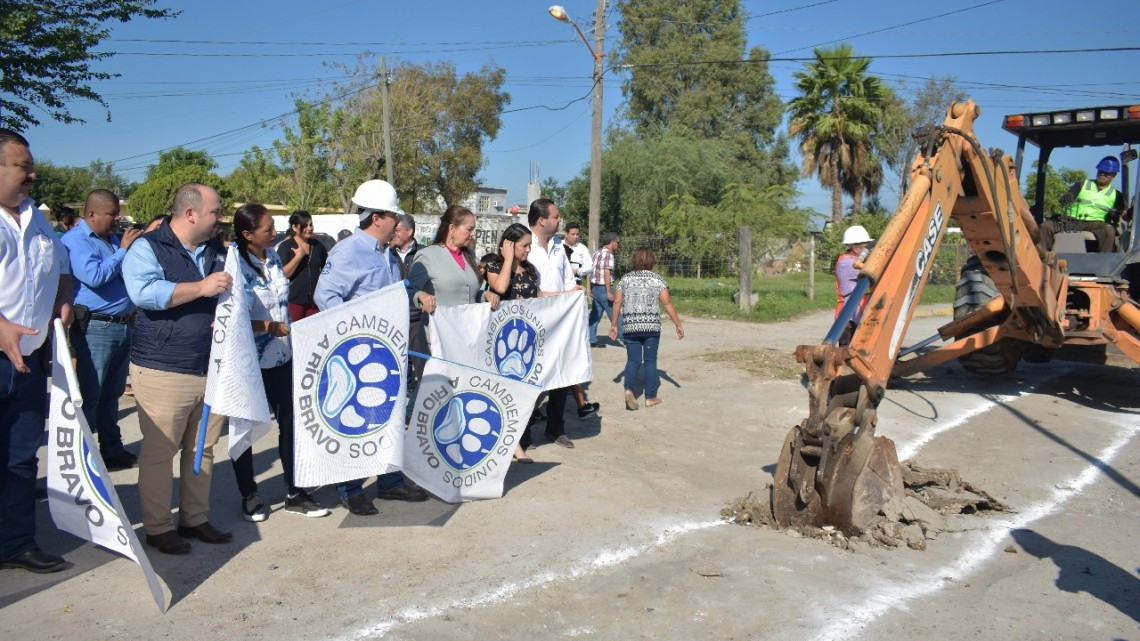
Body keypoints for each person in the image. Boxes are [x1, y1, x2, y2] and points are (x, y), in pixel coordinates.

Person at [122, 183, 233, 555]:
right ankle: (157, 527)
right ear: (191, 214)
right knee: (159, 452)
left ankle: (195, 518)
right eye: (215, 212)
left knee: (202, 449)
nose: (220, 218)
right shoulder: (147, 247)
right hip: (164, 368)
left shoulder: (219, 251)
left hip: (211, 368)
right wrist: (201, 288)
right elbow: (143, 294)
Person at [313, 179, 429, 516]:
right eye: (394, 216)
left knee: (387, 416)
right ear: (377, 217)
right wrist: (354, 329)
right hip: (356, 353)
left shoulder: (387, 254)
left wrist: (416, 296)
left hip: (386, 350)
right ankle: (350, 489)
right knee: (356, 419)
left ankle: (390, 482)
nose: (398, 223)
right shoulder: (348, 251)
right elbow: (326, 297)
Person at [0, 128, 73, 574]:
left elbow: (61, 268)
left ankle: (15, 544)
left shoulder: (37, 219)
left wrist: (63, 299)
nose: (33, 174)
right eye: (22, 166)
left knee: (21, 457)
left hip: (27, 359)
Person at [228, 204, 330, 522]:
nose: (275, 233)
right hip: (249, 359)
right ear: (247, 234)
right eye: (268, 229)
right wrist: (267, 327)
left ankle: (294, 491)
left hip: (282, 354)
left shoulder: (272, 257)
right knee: (245, 425)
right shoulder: (232, 264)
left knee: (290, 422)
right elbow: (232, 316)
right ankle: (249, 494)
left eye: (274, 227)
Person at [61, 189, 141, 470]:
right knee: (90, 395)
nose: (117, 219)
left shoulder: (112, 240)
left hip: (121, 325)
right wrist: (122, 252)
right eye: (111, 214)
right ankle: (81, 456)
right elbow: (94, 276)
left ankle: (111, 449)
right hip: (95, 327)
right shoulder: (75, 241)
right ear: (91, 214)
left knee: (112, 394)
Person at [526, 198, 581, 448]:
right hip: (532, 321)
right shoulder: (523, 243)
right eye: (556, 216)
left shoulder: (559, 246)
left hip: (560, 320)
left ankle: (555, 428)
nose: (559, 220)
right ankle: (523, 434)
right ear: (542, 220)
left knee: (561, 375)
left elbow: (567, 280)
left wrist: (574, 292)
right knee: (530, 377)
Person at [610, 248, 684, 410]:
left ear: (634, 260)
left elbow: (617, 302)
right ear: (651, 261)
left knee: (633, 360)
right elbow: (667, 303)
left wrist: (614, 324)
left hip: (630, 326)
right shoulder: (658, 279)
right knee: (650, 361)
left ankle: (629, 389)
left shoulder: (625, 279)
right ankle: (650, 397)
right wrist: (678, 324)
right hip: (651, 327)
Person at [1039, 156, 1128, 253]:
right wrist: (1067, 196)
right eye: (1100, 171)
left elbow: (1124, 213)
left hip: (1095, 224)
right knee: (1046, 227)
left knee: (1109, 230)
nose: (1102, 174)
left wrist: (1119, 212)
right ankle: (1042, 258)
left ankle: (1104, 261)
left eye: (1106, 173)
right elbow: (1068, 195)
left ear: (1113, 175)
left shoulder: (1116, 195)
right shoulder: (1083, 184)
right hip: (1070, 221)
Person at [391, 213, 427, 390]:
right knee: (398, 367)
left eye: (397, 230)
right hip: (395, 319)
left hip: (417, 319)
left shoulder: (424, 253)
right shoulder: (387, 253)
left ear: (409, 231)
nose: (394, 233)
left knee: (421, 366)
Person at [276, 210, 328, 323]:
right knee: (294, 334)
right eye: (305, 225)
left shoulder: (318, 246)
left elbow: (326, 270)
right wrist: (298, 257)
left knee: (315, 333)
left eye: (311, 224)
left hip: (315, 301)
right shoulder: (286, 246)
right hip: (293, 300)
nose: (309, 228)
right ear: (294, 227)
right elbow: (282, 275)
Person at [834, 225, 872, 346]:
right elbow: (873, 271)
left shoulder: (848, 260)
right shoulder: (848, 263)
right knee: (848, 350)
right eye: (866, 248)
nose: (869, 251)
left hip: (852, 311)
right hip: (850, 314)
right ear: (855, 248)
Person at [589, 232, 621, 346]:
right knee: (615, 314)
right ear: (612, 242)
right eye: (618, 242)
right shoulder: (609, 254)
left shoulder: (596, 253)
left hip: (596, 288)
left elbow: (591, 272)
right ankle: (626, 338)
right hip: (604, 288)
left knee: (595, 315)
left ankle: (590, 338)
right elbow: (607, 272)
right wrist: (608, 292)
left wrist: (591, 288)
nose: (618, 245)